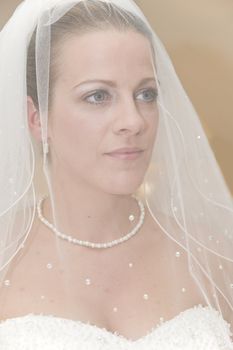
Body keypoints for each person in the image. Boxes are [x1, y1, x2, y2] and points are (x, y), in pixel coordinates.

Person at [0, 0, 233, 348]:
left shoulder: (213, 254)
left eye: (146, 94)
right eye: (97, 96)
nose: (134, 121)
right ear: (38, 119)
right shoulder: (6, 256)